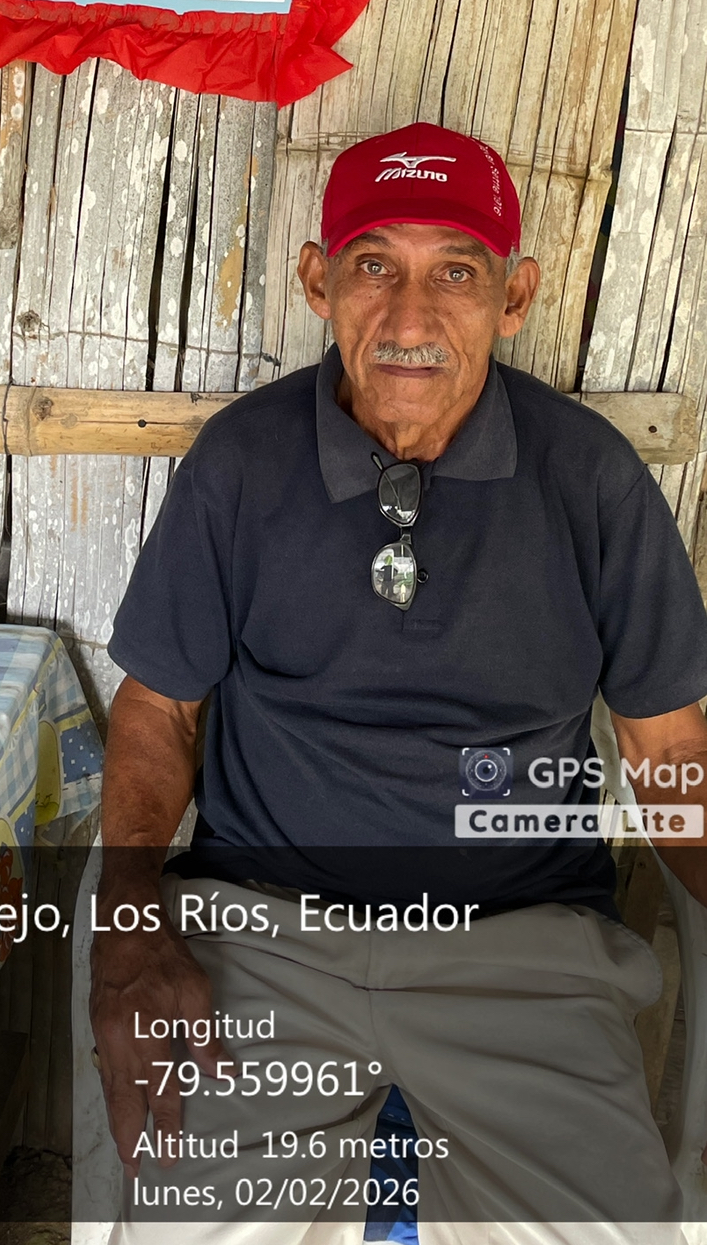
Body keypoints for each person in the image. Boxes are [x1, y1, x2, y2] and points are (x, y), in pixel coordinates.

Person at [93, 120, 707, 1235]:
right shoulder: (243, 462)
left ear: (515, 298)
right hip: (265, 937)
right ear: (317, 282)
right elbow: (158, 709)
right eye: (374, 265)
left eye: (456, 274)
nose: (410, 320)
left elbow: (668, 750)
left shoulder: (591, 479)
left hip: (522, 953)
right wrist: (127, 921)